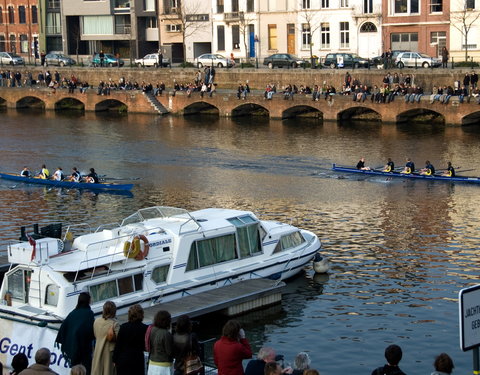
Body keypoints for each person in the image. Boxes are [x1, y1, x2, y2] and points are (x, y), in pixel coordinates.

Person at [55, 292, 95, 374]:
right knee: (86, 370)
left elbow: (64, 327)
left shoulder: (73, 313)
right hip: (85, 349)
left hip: (73, 346)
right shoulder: (89, 313)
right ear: (88, 300)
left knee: (74, 369)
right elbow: (91, 330)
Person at [113, 304, 148, 375]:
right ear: (141, 314)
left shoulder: (123, 327)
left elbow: (118, 346)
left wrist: (114, 360)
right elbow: (145, 346)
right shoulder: (145, 328)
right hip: (137, 360)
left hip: (123, 360)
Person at [91, 301, 119, 375]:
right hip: (109, 355)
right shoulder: (115, 324)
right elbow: (119, 341)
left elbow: (95, 335)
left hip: (97, 351)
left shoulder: (96, 322)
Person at [147, 310, 174, 375]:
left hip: (152, 364)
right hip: (163, 366)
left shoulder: (152, 330)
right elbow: (170, 352)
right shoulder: (166, 334)